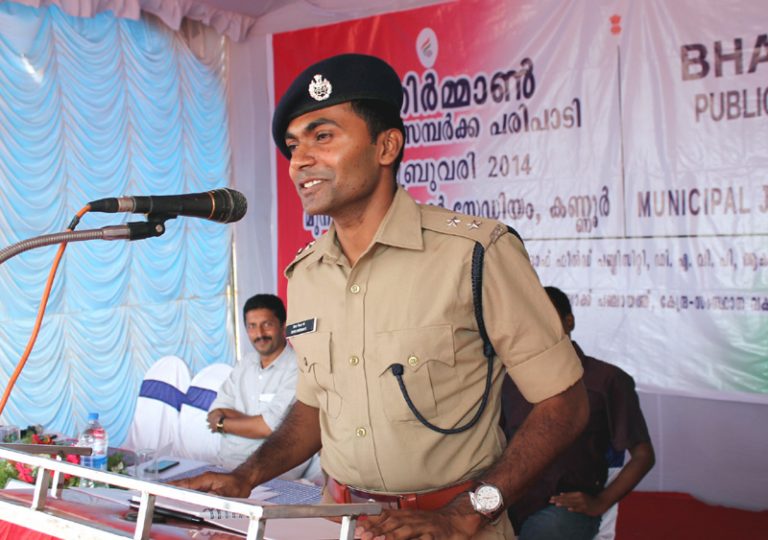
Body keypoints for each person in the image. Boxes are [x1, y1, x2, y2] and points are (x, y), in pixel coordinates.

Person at [176, 53, 589, 539]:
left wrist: (468, 511)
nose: (299, 161)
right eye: (293, 145)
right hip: (342, 522)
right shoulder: (307, 274)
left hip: (449, 526)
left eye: (322, 136)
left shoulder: (475, 253)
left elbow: (565, 404)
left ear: (386, 146)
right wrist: (245, 476)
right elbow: (312, 409)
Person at [501, 286, 655, 540]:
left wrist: (601, 502)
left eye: (543, 317)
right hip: (510, 500)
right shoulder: (510, 381)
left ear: (568, 321)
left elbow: (643, 455)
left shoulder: (607, 380)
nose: (534, 329)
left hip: (561, 509)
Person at [206, 294, 318, 479]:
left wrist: (223, 424)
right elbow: (215, 412)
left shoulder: (298, 367)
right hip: (226, 465)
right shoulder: (245, 364)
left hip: (270, 473)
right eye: (252, 326)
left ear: (283, 325)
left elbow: (269, 427)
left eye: (267, 324)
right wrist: (254, 424)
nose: (259, 334)